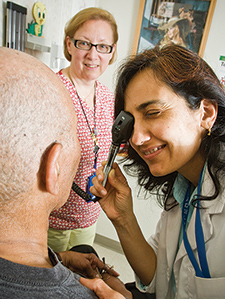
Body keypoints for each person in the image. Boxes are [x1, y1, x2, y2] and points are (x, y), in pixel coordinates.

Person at [81, 44, 225, 298]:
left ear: (207, 113)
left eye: (154, 113)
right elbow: (158, 277)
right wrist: (122, 218)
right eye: (131, 121)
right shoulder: (183, 188)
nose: (136, 138)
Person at [0, 46, 121, 298]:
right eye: (75, 137)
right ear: (52, 167)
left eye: (103, 46)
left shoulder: (107, 98)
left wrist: (61, 258)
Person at [48, 7, 118, 252]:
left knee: (81, 280)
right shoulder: (51, 90)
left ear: (112, 52)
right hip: (51, 218)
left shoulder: (109, 99)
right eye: (84, 44)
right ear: (69, 44)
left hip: (89, 214)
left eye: (102, 46)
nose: (93, 55)